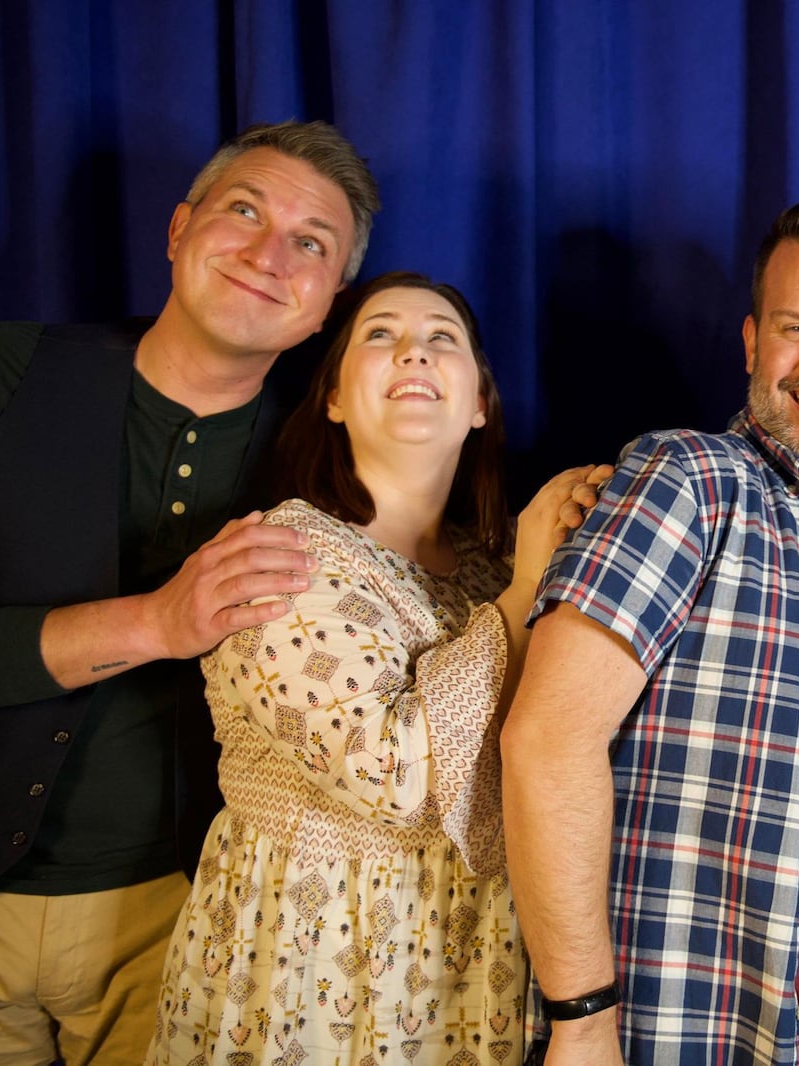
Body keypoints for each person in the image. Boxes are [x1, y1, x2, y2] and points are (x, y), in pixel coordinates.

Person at [0, 120, 380, 1063]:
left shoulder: (335, 468)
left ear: (331, 300)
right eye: (244, 211)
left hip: (187, 927)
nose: (266, 255)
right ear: (177, 230)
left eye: (310, 243)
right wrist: (155, 622)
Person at [146, 271, 608, 1064]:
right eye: (380, 335)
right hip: (312, 955)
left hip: (470, 966)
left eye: (442, 339)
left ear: (478, 405)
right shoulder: (280, 552)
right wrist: (531, 587)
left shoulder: (492, 566)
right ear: (331, 398)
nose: (413, 352)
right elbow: (391, 769)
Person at [501, 197, 799, 1065]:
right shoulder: (690, 480)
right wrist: (582, 1022)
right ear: (751, 343)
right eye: (795, 327)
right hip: (679, 1029)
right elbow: (548, 740)